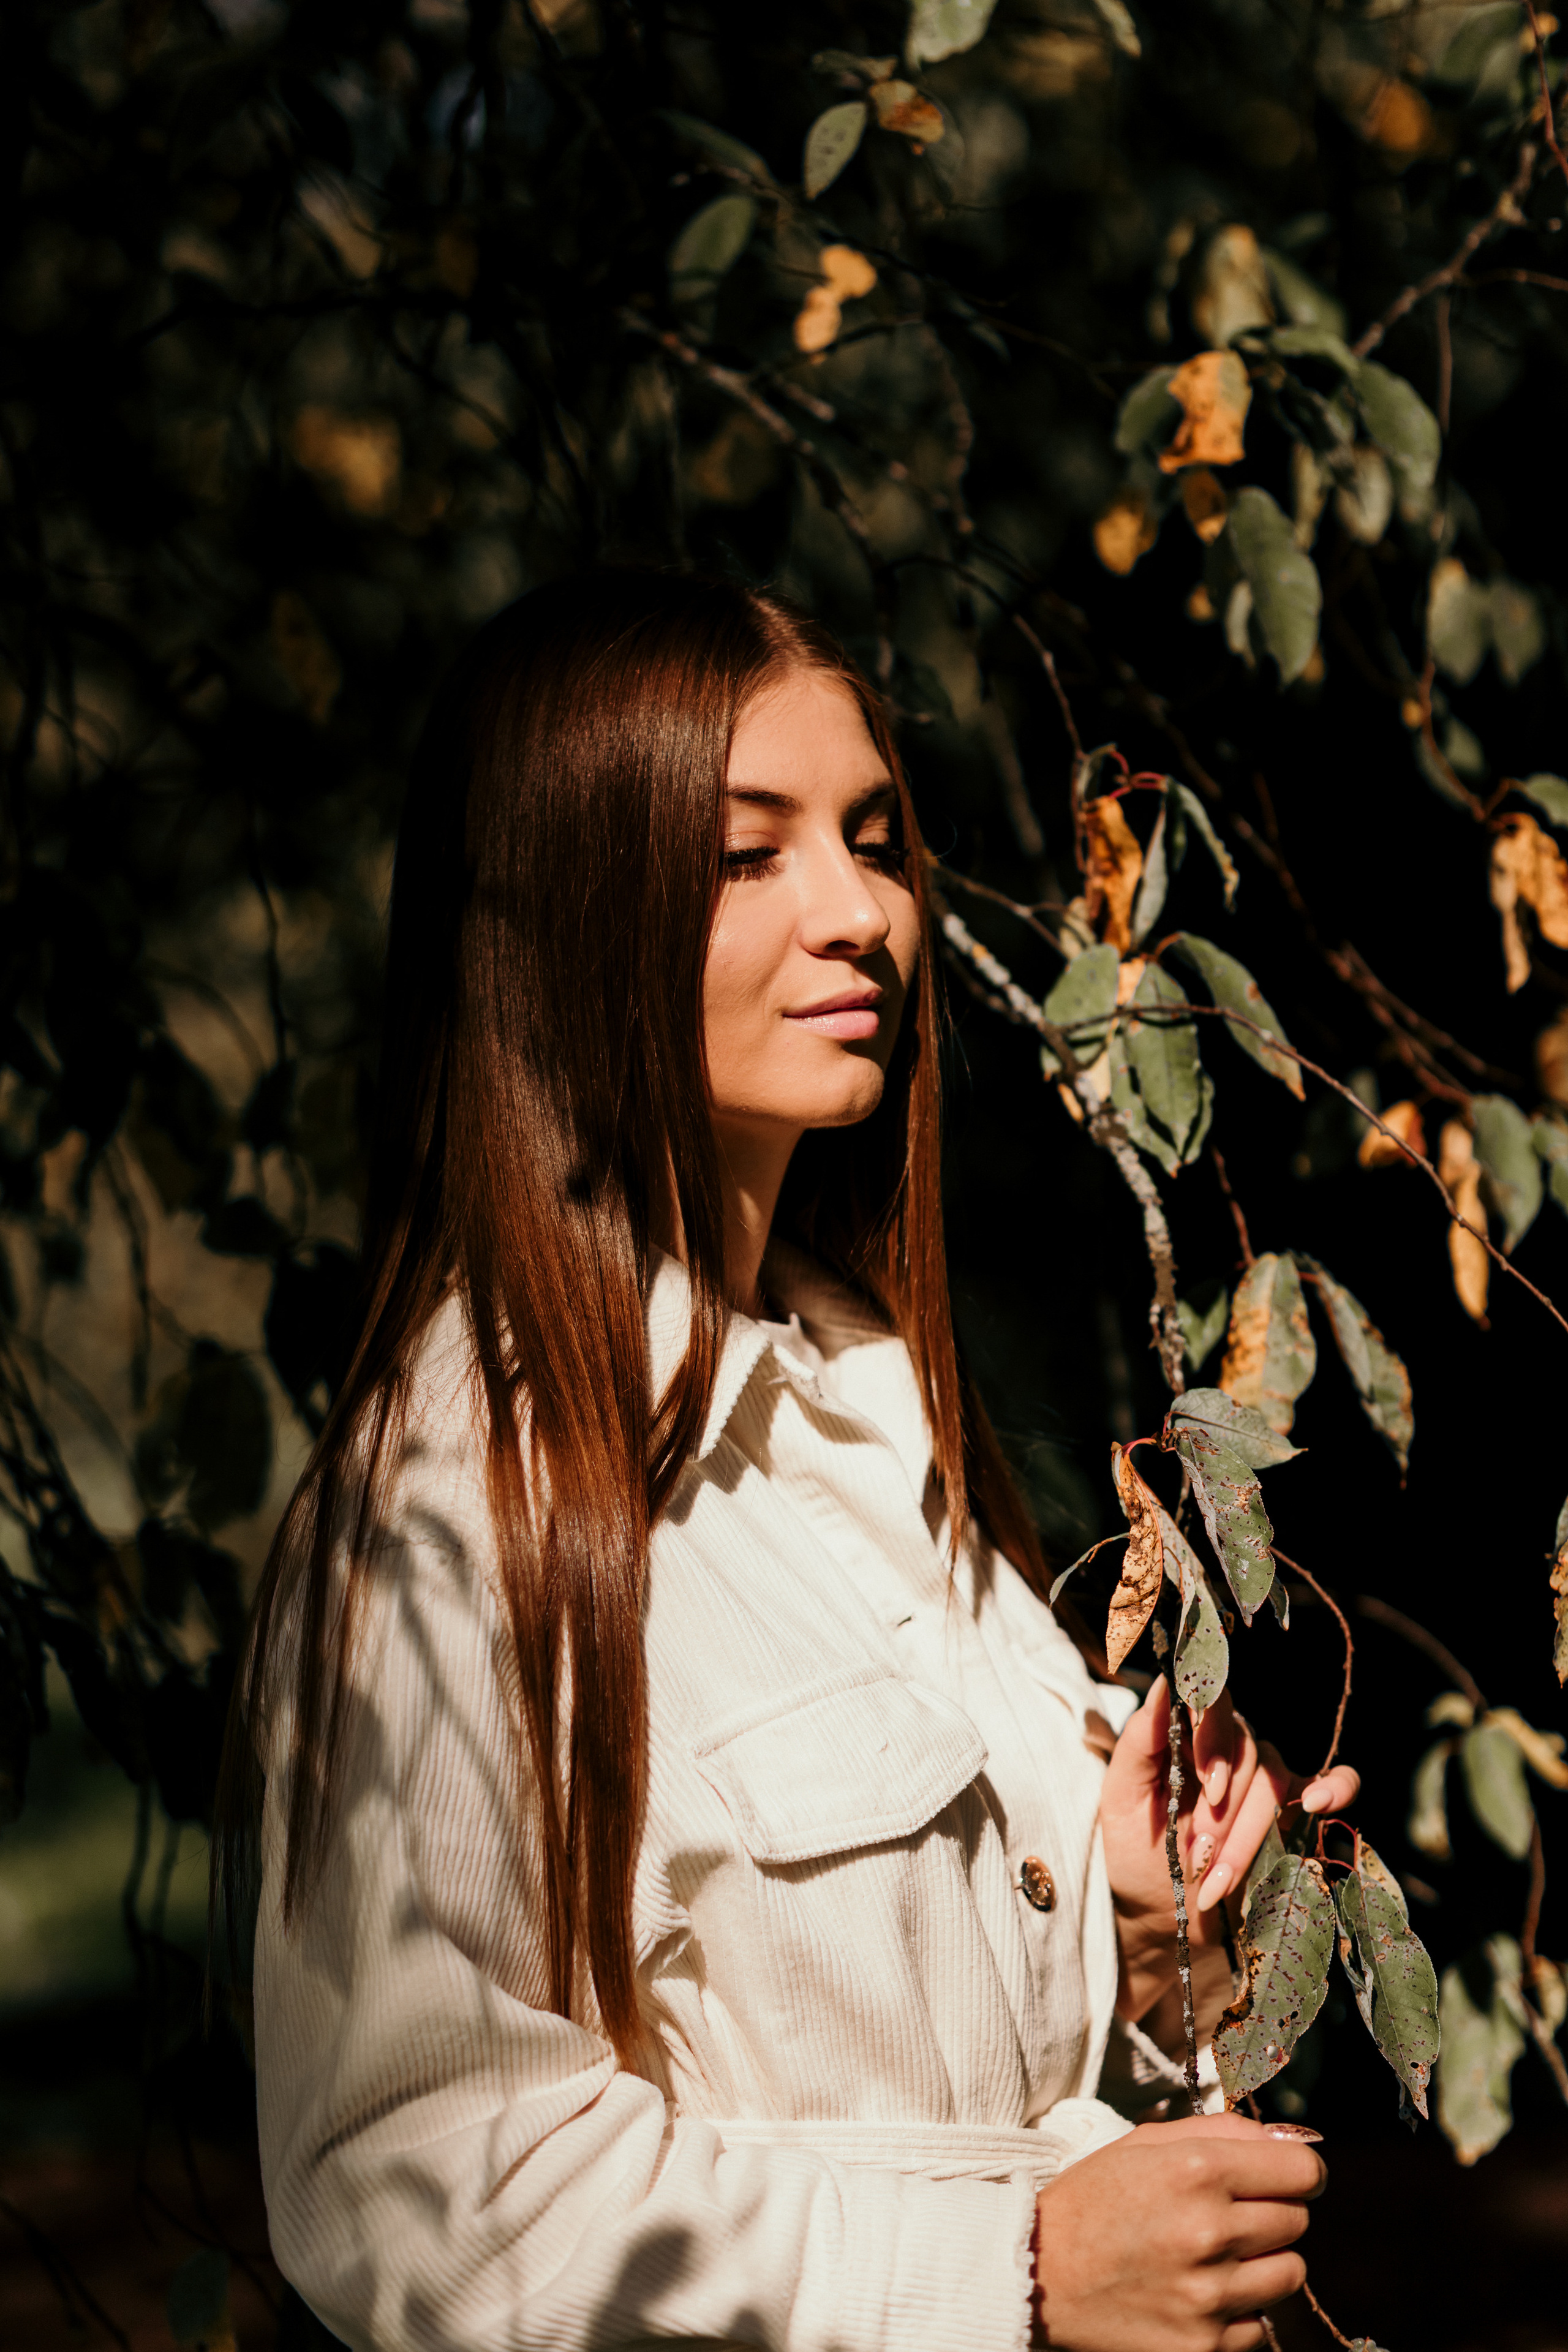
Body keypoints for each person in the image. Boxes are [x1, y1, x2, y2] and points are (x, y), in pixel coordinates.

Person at [221, 569, 1359, 2352]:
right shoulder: (454, 1510)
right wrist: (1016, 2272)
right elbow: (426, 2195)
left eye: (874, 840)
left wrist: (1140, 1930)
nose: (862, 916)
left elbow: (910, 2050)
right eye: (747, 856)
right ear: (564, 917)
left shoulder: (869, 1407)